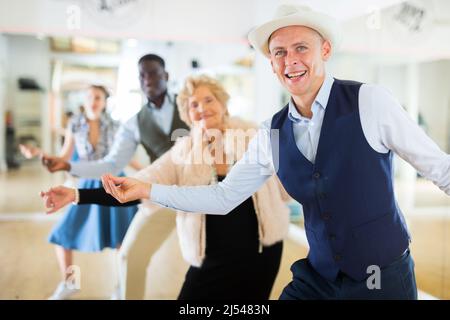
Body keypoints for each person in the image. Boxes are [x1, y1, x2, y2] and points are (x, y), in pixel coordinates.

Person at [77, 5, 450, 300]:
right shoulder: (271, 132)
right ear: (271, 63)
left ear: (325, 49)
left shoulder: (369, 101)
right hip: (318, 278)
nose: (290, 61)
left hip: (382, 278)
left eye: (301, 47)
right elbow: (223, 197)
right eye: (279, 53)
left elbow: (440, 170)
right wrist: (146, 190)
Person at [41, 75, 290, 299]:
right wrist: (77, 194)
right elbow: (137, 185)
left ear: (223, 103)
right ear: (187, 114)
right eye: (193, 105)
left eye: (208, 100)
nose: (201, 108)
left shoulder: (254, 135)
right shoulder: (182, 151)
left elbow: (286, 185)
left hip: (261, 251)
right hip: (210, 256)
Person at [40, 54, 189, 299]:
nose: (147, 79)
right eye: (142, 75)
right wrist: (67, 165)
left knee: (204, 260)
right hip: (158, 195)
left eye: (152, 72)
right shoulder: (134, 123)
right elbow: (110, 163)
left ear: (166, 76)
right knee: (128, 254)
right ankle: (81, 284)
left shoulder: (190, 105)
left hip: (200, 193)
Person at [25, 85, 138, 300]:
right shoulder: (75, 123)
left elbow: (125, 158)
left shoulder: (115, 126)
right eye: (89, 97)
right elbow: (65, 156)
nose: (93, 101)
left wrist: (150, 173)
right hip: (86, 184)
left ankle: (121, 287)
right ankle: (69, 283)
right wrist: (40, 154)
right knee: (62, 237)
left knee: (123, 242)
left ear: (105, 102)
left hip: (114, 184)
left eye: (98, 97)